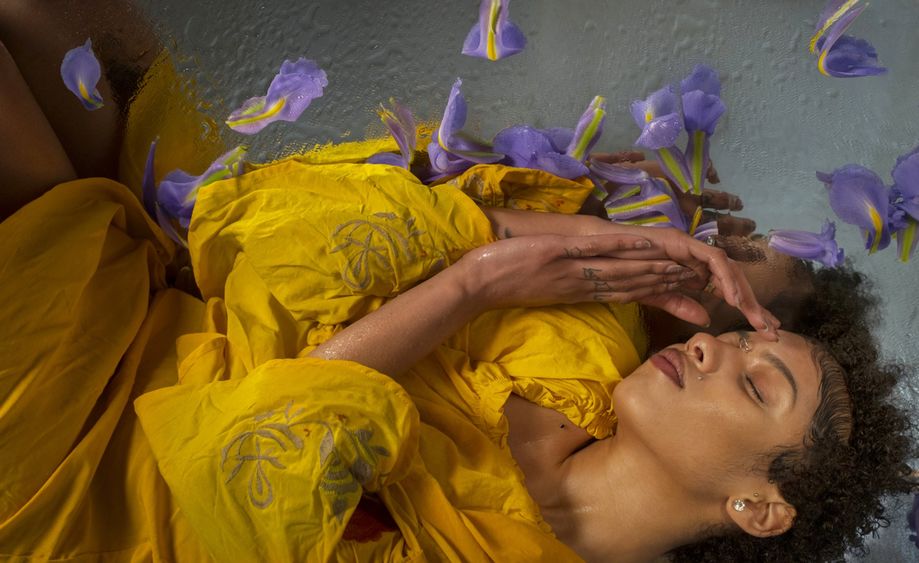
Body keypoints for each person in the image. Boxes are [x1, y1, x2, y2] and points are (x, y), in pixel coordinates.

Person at [0, 3, 914, 562]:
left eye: (758, 378)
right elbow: (304, 237)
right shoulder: (588, 354)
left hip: (82, 476)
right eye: (743, 333)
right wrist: (568, 221)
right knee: (60, 19)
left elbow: (254, 456)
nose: (716, 341)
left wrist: (477, 275)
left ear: (757, 507)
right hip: (170, 303)